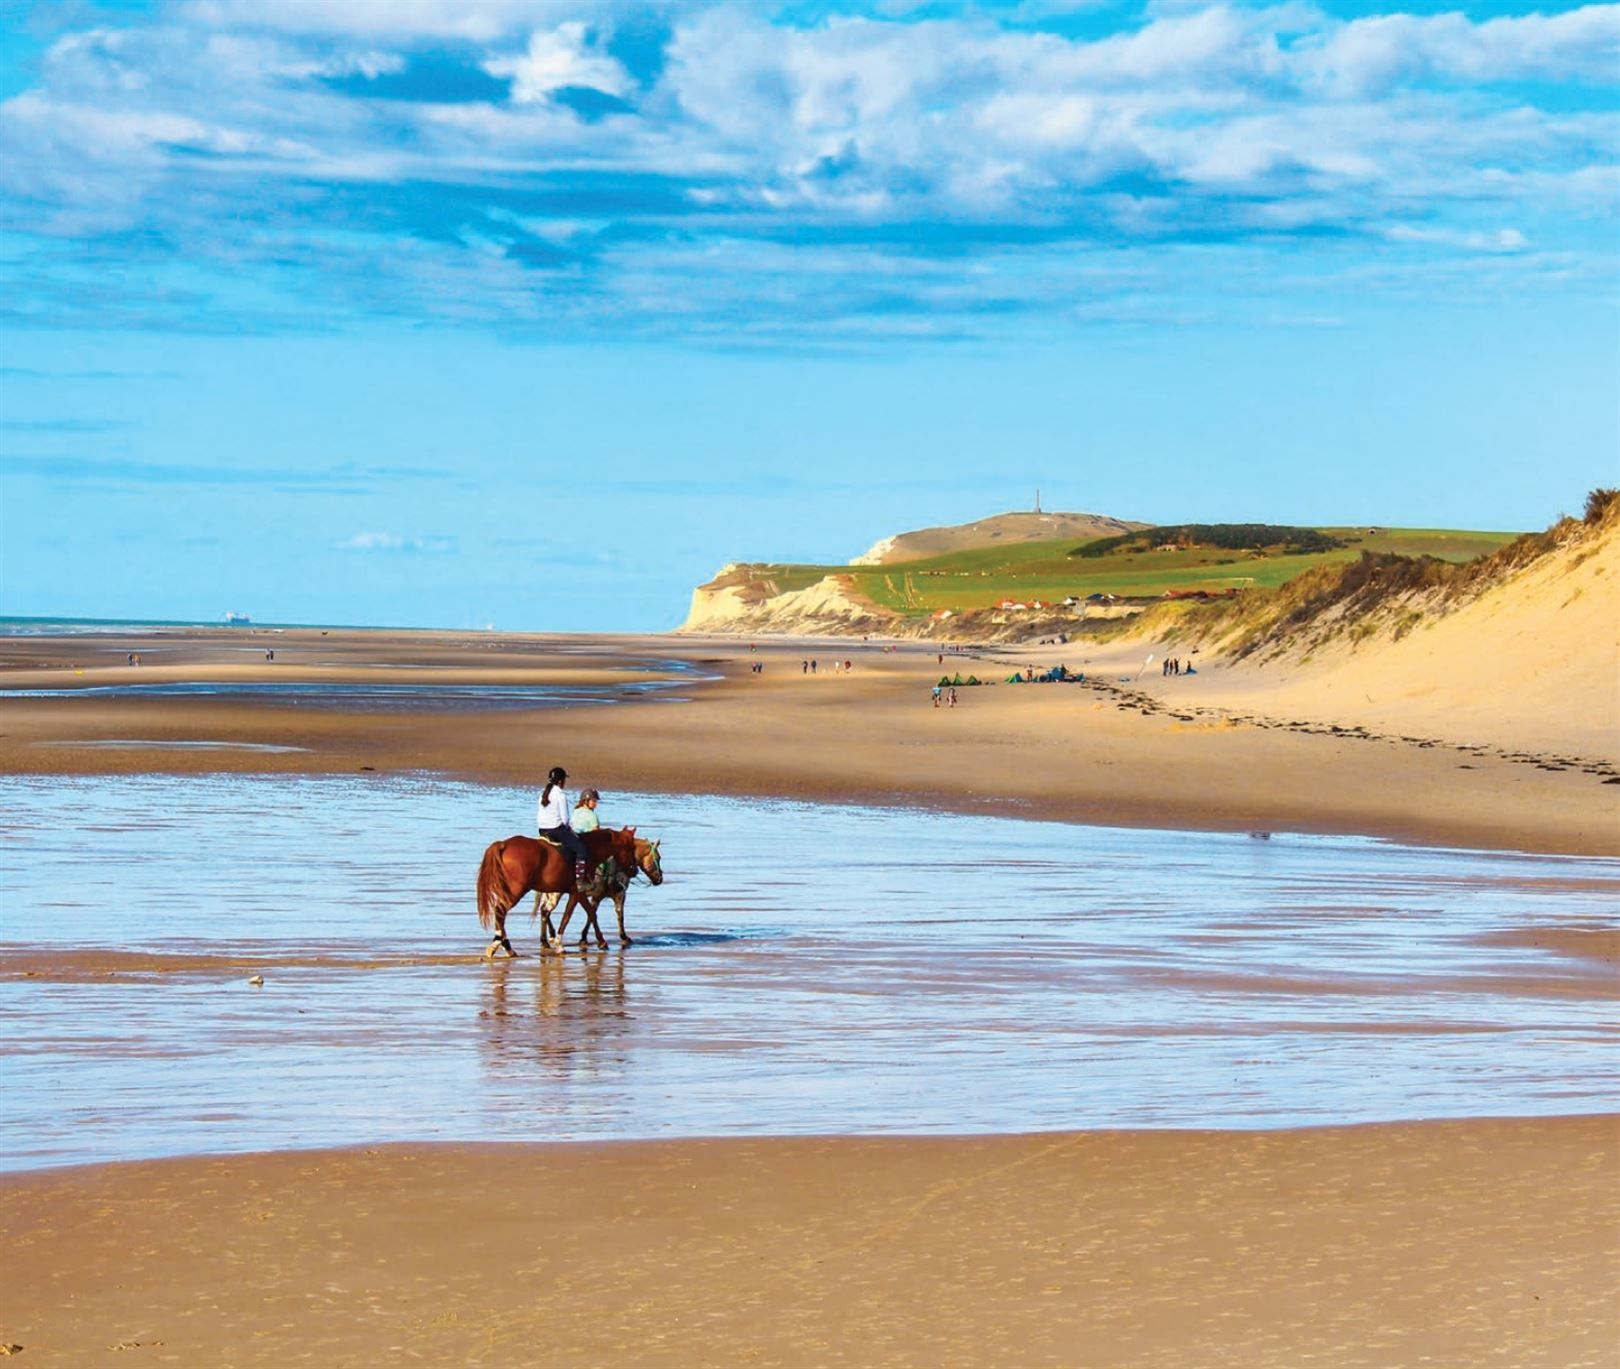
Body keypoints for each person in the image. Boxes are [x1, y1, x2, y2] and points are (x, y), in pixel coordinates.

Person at [537, 766, 596, 894]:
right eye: (564, 780)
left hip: (542, 830)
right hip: (556, 829)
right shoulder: (560, 795)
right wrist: (571, 831)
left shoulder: (543, 793)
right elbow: (564, 820)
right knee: (581, 849)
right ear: (560, 781)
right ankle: (580, 882)